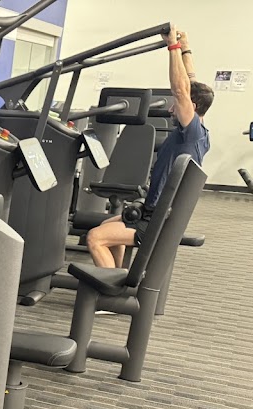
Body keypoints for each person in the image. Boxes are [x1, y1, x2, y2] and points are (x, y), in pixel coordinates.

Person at [86, 26, 214, 269]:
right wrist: (185, 47)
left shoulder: (191, 132)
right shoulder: (199, 131)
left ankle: (109, 287)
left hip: (158, 219)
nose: (171, 109)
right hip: (152, 210)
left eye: (176, 104)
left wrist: (172, 46)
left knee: (95, 238)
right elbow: (189, 84)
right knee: (106, 228)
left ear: (193, 106)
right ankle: (117, 276)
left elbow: (181, 89)